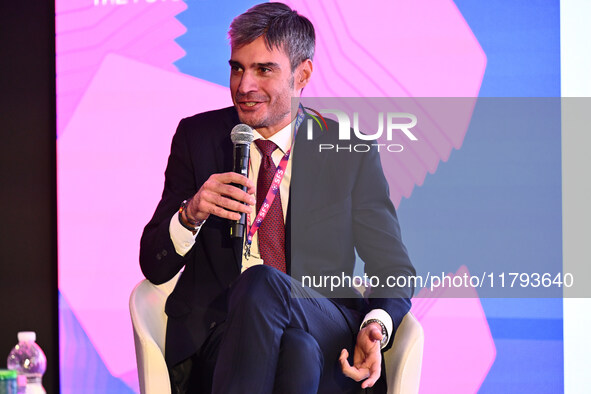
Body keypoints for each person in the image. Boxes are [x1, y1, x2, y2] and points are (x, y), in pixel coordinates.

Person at [140, 2, 416, 393]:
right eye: (237, 67)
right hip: (223, 333)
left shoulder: (348, 151)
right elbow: (154, 265)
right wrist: (190, 214)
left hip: (322, 322)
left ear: (302, 75)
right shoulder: (197, 138)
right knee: (296, 351)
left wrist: (377, 324)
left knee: (263, 285)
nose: (244, 85)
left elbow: (394, 268)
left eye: (264, 69)